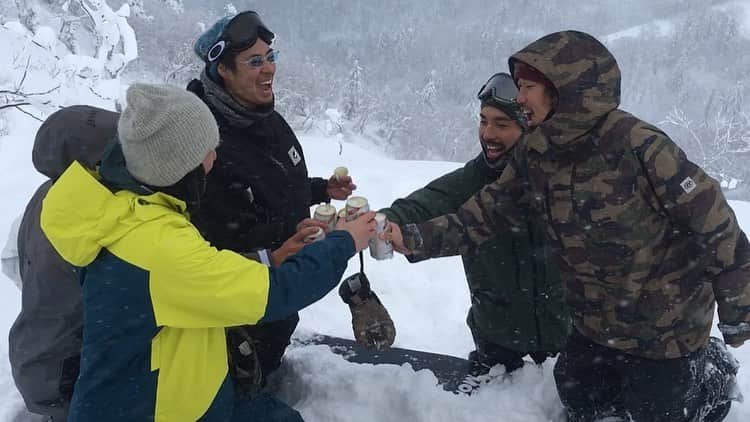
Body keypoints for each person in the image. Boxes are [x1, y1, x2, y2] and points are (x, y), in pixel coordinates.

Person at [389, 30, 747, 421]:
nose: (519, 97)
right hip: (594, 322)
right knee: (577, 395)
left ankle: (711, 376)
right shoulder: (537, 150)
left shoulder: (641, 147)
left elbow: (716, 226)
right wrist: (410, 237)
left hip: (665, 328)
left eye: (526, 87)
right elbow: (485, 214)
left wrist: (738, 309)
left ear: (564, 89)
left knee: (659, 412)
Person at [39, 83, 376, 422]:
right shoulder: (156, 245)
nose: (215, 158)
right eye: (209, 150)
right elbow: (275, 294)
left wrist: (272, 259)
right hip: (155, 411)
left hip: (181, 386)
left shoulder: (126, 208)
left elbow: (189, 278)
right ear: (179, 165)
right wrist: (344, 241)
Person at [188, 10, 394, 383]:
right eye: (254, 61)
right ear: (223, 71)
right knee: (243, 378)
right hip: (240, 318)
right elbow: (219, 245)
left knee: (268, 354)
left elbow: (270, 182)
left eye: (270, 57)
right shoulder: (203, 144)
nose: (268, 69)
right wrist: (309, 236)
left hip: (279, 297)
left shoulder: (257, 112)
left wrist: (319, 189)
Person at [379, 72, 568, 374]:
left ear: (529, 126)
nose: (488, 133)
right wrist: (377, 222)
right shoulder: (474, 180)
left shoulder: (563, 179)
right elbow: (422, 204)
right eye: (483, 121)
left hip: (568, 341)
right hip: (498, 343)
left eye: (502, 124)